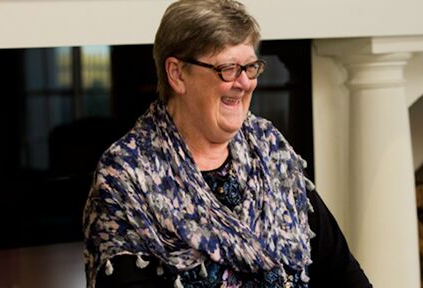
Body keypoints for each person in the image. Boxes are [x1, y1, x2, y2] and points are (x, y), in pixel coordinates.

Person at [82, 0, 372, 287]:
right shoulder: (127, 175)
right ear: (177, 74)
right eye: (228, 68)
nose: (245, 82)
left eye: (250, 67)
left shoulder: (271, 151)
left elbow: (343, 272)